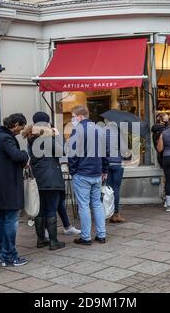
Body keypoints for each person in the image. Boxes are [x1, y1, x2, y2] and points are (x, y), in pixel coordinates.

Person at [22, 111, 66, 250]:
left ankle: (41, 239)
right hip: (51, 178)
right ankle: (53, 241)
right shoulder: (46, 137)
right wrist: (58, 134)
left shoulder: (31, 136)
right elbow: (62, 151)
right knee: (51, 208)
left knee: (39, 210)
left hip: (38, 177)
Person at [0, 113, 30, 267]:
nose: (20, 131)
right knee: (11, 220)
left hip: (2, 185)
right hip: (10, 185)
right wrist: (25, 154)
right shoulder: (6, 138)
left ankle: (0, 253)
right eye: (20, 127)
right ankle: (10, 256)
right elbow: (16, 155)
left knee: (2, 219)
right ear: (15, 124)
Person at [68, 105, 108, 245]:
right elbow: (105, 152)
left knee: (84, 205)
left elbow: (72, 154)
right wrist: (104, 170)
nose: (72, 119)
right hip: (97, 172)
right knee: (97, 203)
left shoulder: (77, 130)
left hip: (82, 173)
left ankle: (86, 237)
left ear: (80, 116)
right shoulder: (100, 129)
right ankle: (101, 235)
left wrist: (72, 171)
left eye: (73, 116)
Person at [105, 121, 127, 223]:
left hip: (106, 163)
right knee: (116, 189)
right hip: (117, 163)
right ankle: (116, 214)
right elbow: (124, 149)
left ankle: (107, 213)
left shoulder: (102, 131)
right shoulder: (119, 132)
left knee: (107, 189)